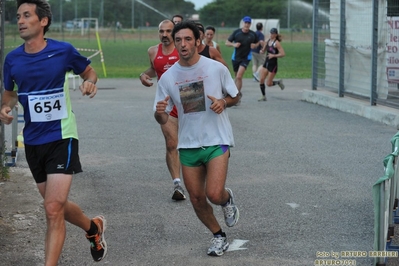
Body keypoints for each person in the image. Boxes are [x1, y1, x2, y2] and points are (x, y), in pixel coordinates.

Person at [1, 0, 106, 264]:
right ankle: (93, 227)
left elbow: (89, 72)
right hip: (33, 140)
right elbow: (10, 94)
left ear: (43, 21)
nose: (21, 21)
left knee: (51, 209)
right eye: (18, 16)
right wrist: (5, 107)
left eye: (27, 15)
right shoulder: (12, 59)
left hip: (62, 136)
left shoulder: (63, 51)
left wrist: (90, 84)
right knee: (55, 205)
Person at [154, 21, 240, 257]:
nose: (183, 44)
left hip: (217, 139)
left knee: (214, 194)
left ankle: (226, 199)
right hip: (189, 144)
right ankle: (218, 236)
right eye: (178, 39)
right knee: (196, 198)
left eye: (188, 39)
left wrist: (224, 102)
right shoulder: (169, 78)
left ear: (198, 41)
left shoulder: (216, 69)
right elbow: (161, 118)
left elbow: (236, 96)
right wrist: (160, 112)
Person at [139, 20, 186, 201]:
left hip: (187, 99)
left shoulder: (182, 49)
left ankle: (198, 179)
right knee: (171, 143)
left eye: (168, 31)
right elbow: (154, 68)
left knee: (193, 143)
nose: (165, 34)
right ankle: (177, 184)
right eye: (161, 31)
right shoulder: (153, 51)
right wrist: (143, 75)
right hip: (165, 102)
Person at [225, 16, 259, 103]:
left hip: (246, 58)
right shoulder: (237, 33)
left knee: (239, 76)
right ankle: (235, 93)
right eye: (246, 23)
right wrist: (234, 45)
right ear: (243, 23)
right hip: (236, 57)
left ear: (250, 24)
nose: (247, 24)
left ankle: (237, 96)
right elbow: (227, 43)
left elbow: (257, 42)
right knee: (236, 77)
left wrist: (255, 45)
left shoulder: (252, 34)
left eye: (248, 23)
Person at [258, 27, 286, 101]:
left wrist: (273, 55)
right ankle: (263, 96)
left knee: (269, 83)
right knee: (261, 80)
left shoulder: (277, 43)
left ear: (276, 35)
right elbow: (264, 50)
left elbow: (283, 54)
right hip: (266, 62)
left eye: (273, 33)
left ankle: (278, 82)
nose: (271, 35)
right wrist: (262, 51)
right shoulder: (267, 41)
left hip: (273, 64)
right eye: (270, 33)